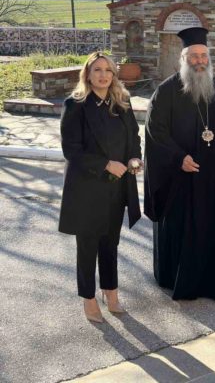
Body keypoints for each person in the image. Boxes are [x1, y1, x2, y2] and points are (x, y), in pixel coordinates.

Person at [144, 27, 215, 302]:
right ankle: (178, 277)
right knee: (183, 226)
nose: (199, 61)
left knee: (214, 225)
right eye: (194, 56)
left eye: (203, 56)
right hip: (181, 179)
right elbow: (155, 133)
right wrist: (178, 158)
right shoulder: (166, 92)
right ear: (183, 59)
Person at [59, 51, 143, 323]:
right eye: (97, 69)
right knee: (88, 246)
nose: (103, 75)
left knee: (110, 243)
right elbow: (71, 150)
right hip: (86, 189)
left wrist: (134, 158)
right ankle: (88, 297)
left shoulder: (122, 103)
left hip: (116, 188)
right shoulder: (75, 105)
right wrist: (106, 164)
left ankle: (111, 291)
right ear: (87, 74)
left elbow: (134, 137)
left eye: (108, 70)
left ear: (114, 75)